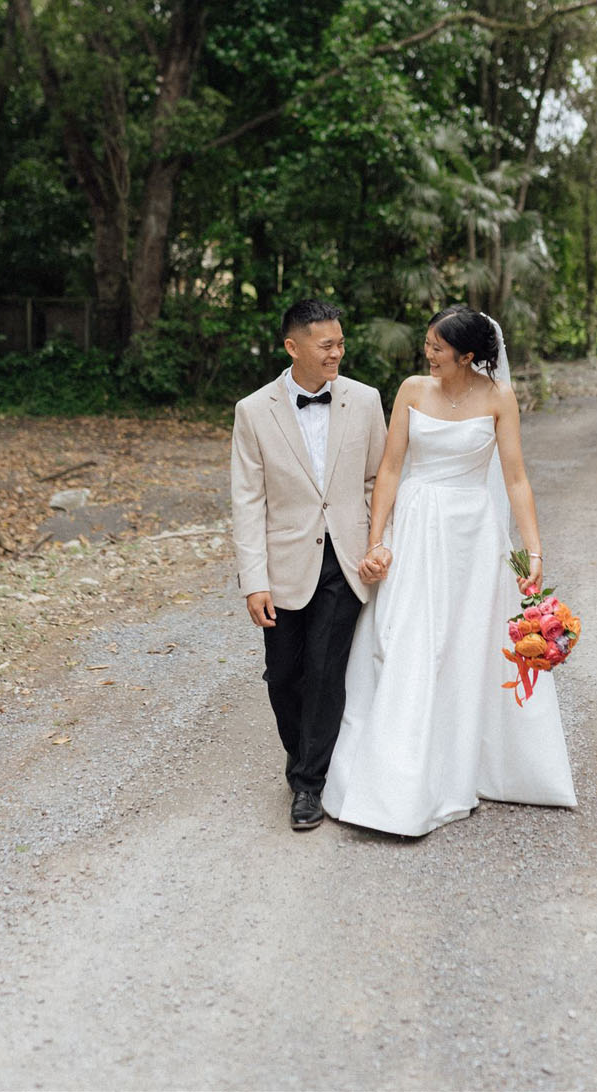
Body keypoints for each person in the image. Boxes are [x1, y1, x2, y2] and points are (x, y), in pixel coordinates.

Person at [322, 304, 576, 837]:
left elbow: (516, 479)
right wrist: (377, 541)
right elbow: (391, 469)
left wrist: (533, 551)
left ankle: (460, 764)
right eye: (428, 345)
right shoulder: (412, 390)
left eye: (437, 348)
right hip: (416, 527)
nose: (428, 354)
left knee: (464, 645)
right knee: (408, 639)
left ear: (467, 355)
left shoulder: (499, 397)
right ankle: (394, 780)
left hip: (472, 536)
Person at [231, 298, 387, 831]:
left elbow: (379, 482)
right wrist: (254, 581)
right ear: (292, 347)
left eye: (340, 343)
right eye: (326, 345)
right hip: (283, 565)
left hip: (346, 560)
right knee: (283, 676)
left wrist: (377, 544)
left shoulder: (365, 400)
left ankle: (309, 785)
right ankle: (302, 757)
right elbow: (247, 501)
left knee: (324, 671)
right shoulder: (253, 410)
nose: (337, 353)